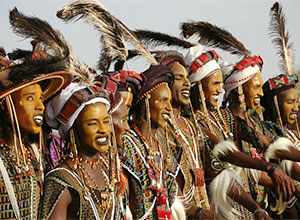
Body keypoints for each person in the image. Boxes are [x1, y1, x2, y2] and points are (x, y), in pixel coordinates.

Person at [0, 43, 71, 219]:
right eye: (30, 98)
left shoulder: (33, 153)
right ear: (6, 104)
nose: (40, 106)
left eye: (40, 99)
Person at [122, 65, 185, 220]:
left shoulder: (164, 146)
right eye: (163, 101)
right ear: (146, 103)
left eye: (169, 101)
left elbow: (175, 197)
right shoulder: (127, 145)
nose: (169, 108)